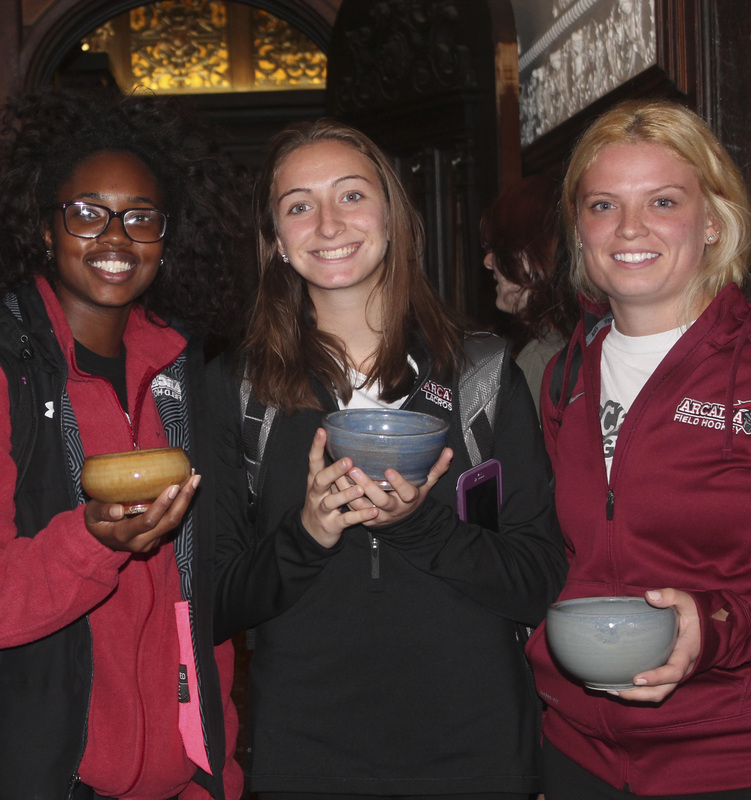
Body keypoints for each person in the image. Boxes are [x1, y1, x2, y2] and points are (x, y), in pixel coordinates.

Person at [208, 118, 566, 799]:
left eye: (350, 195)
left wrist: (417, 524)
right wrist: (306, 535)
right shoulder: (238, 388)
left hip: (477, 750)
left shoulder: (480, 375)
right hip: (306, 752)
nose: (327, 223)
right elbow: (215, 603)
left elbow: (538, 578)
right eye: (298, 206)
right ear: (277, 242)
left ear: (392, 217)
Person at [0, 90, 248, 800]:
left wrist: (214, 769)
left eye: (141, 218)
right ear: (43, 227)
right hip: (40, 779)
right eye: (88, 213)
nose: (116, 238)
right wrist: (94, 544)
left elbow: (202, 596)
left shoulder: (185, 370)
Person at [531, 97, 751, 799]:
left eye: (662, 201)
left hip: (745, 759)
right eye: (602, 206)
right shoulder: (565, 376)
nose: (629, 229)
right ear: (580, 230)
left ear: (712, 220)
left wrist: (714, 628)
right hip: (577, 756)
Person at [480, 173, 578, 411]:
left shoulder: (542, 360)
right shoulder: (585, 339)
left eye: (501, 250)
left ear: (536, 255)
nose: (488, 261)